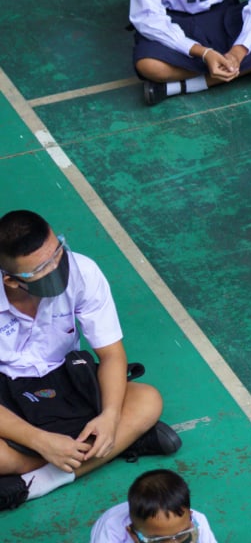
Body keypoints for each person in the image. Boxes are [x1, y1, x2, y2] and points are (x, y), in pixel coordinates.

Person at [0, 212, 180, 511]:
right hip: (6, 391)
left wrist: (109, 416)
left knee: (147, 400)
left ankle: (33, 483)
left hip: (65, 378)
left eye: (57, 251)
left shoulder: (83, 271)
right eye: (42, 269)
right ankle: (114, 446)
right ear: (12, 281)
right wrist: (41, 441)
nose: (57, 267)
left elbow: (111, 354)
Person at [89, 471, 218, 543]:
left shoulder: (198, 522)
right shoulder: (108, 533)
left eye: (182, 536)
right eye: (159, 541)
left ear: (191, 517)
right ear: (133, 533)